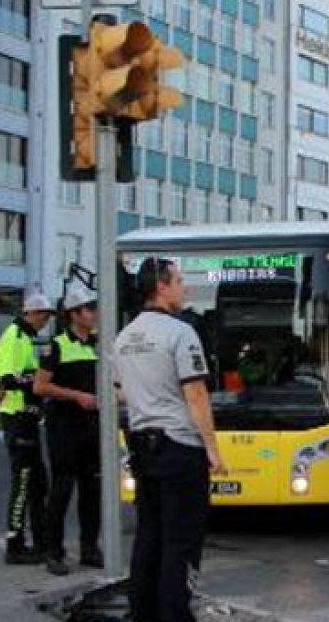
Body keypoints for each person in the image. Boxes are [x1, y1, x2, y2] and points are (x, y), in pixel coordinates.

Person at [115, 258, 225, 622]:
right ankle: (175, 614)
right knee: (182, 542)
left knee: (149, 537)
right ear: (161, 287)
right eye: (179, 281)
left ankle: (142, 612)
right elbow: (196, 396)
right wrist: (212, 449)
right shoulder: (180, 333)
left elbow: (122, 393)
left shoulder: (124, 337)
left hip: (143, 448)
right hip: (180, 449)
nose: (185, 288)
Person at [34, 285, 102, 576]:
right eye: (90, 309)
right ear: (74, 314)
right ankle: (54, 551)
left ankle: (89, 547)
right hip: (64, 426)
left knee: (93, 488)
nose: (95, 314)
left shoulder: (98, 344)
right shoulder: (57, 346)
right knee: (62, 488)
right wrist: (76, 396)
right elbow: (40, 386)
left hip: (92, 426)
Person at [0, 292, 55, 565]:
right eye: (43, 315)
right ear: (30, 313)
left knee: (38, 484)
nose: (45, 321)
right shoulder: (15, 336)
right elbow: (9, 379)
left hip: (28, 418)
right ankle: (15, 544)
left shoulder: (27, 338)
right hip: (17, 416)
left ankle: (41, 540)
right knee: (22, 482)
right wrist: (36, 384)